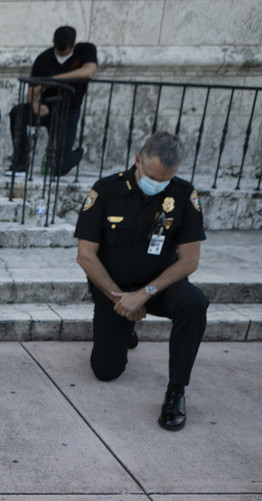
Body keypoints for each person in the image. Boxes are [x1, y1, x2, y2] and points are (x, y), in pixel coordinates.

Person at [74, 132, 209, 431]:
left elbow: (190, 260)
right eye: (152, 177)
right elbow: (85, 256)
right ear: (138, 159)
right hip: (114, 289)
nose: (158, 185)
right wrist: (121, 300)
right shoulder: (106, 191)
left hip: (159, 287)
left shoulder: (184, 195)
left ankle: (176, 391)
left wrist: (144, 294)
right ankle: (126, 329)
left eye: (166, 179)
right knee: (106, 371)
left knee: (195, 303)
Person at [8, 26, 97, 177]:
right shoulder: (44, 58)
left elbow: (89, 71)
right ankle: (20, 162)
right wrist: (36, 105)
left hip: (69, 111)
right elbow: (31, 92)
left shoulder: (86, 50)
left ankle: (80, 151)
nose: (62, 54)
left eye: (66, 51)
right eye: (59, 50)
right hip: (47, 109)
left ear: (74, 45)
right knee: (18, 113)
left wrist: (53, 80)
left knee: (59, 168)